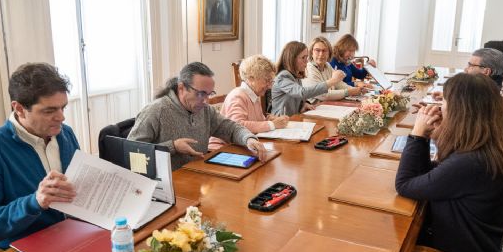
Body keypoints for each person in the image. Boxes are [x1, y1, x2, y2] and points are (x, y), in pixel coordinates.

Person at [396, 73, 503, 252]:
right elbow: (434, 174)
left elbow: (406, 184)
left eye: (446, 102)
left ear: (462, 110)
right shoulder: (488, 145)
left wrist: (418, 133)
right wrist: (436, 134)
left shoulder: (471, 162)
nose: (441, 106)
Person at [0, 63, 79, 248]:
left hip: (70, 236)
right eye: (49, 111)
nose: (61, 117)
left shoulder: (65, 134)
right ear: (19, 108)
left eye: (63, 107)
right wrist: (34, 202)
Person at [128, 62, 266, 170]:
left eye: (209, 94)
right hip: (166, 186)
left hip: (197, 175)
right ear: (181, 88)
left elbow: (230, 128)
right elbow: (131, 155)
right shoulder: (155, 111)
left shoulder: (205, 110)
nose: (206, 100)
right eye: (200, 94)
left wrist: (249, 139)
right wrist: (173, 146)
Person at [209, 55, 289, 150]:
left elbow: (255, 121)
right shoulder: (237, 95)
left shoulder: (254, 94)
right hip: (222, 148)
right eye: (267, 80)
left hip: (241, 145)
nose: (270, 86)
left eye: (271, 81)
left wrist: (269, 119)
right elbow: (238, 125)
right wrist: (272, 125)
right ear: (251, 78)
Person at [271, 41, 345, 116]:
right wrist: (331, 82)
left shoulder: (296, 75)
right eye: (303, 58)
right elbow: (302, 93)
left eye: (306, 57)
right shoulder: (283, 76)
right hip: (281, 122)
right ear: (292, 59)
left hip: (293, 120)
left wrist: (302, 105)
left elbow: (294, 97)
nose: (306, 61)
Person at [303, 36, 368, 102]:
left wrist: (357, 90)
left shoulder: (327, 65)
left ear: (329, 53)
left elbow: (339, 84)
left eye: (324, 51)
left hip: (326, 105)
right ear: (311, 53)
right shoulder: (309, 69)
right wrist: (348, 92)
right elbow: (323, 95)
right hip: (313, 108)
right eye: (317, 50)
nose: (321, 54)